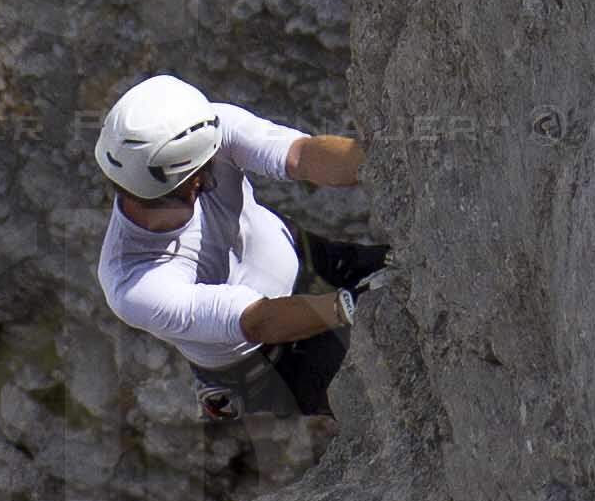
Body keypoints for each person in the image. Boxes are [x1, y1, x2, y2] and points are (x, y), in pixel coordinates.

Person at [90, 74, 391, 433]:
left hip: (304, 255)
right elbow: (255, 320)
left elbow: (300, 155)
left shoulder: (204, 130)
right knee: (392, 392)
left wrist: (383, 163)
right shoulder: (133, 282)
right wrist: (351, 304)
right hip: (274, 358)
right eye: (208, 175)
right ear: (192, 184)